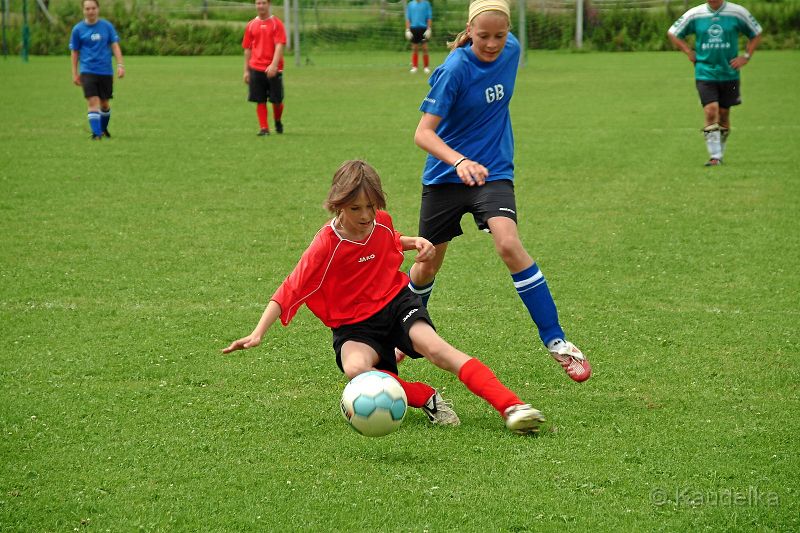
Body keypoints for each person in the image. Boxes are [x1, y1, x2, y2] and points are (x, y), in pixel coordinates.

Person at [222, 160, 546, 435]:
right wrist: (257, 332)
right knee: (355, 369)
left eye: (371, 207)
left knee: (437, 349)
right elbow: (289, 288)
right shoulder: (325, 245)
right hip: (354, 325)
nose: (365, 216)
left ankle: (512, 406)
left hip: (396, 304)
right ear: (337, 205)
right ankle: (426, 397)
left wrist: (414, 241)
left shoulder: (380, 223)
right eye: (355, 208)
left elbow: (388, 239)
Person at [405, 0, 592, 383]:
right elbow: (422, 133)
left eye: (499, 35)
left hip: (493, 172)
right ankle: (402, 337)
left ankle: (557, 342)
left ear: (509, 34)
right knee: (427, 263)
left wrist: (477, 161)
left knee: (508, 243)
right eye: (484, 35)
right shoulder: (455, 69)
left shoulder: (513, 50)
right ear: (470, 31)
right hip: (445, 176)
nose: (492, 44)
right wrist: (459, 161)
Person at [668, 0, 762, 166]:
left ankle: (720, 151)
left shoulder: (737, 12)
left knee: (724, 114)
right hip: (705, 72)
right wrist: (688, 51)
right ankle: (715, 156)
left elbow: (756, 32)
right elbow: (673, 32)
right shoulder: (695, 14)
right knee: (711, 111)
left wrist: (746, 57)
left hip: (729, 73)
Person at [69, 0, 124, 141]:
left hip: (105, 71)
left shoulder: (107, 26)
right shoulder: (78, 29)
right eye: (87, 8)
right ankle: (97, 134)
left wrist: (120, 65)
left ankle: (103, 129)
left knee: (104, 103)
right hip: (87, 70)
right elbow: (75, 52)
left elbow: (115, 46)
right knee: (92, 101)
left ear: (98, 9)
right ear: (83, 10)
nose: (90, 11)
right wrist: (75, 73)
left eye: (93, 8)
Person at [243, 0, 287, 136]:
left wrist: (273, 65)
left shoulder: (276, 24)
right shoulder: (251, 25)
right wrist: (246, 70)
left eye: (263, 3)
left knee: (277, 100)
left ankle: (277, 121)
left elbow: (280, 45)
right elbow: (247, 48)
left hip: (274, 69)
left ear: (269, 4)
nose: (260, 6)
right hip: (256, 67)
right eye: (258, 3)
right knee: (259, 99)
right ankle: (264, 128)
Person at [405, 0, 432, 74]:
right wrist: (407, 30)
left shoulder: (426, 4)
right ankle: (414, 67)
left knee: (425, 48)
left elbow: (429, 18)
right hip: (413, 28)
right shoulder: (410, 4)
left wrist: (429, 29)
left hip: (423, 29)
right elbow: (408, 18)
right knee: (414, 48)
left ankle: (426, 67)